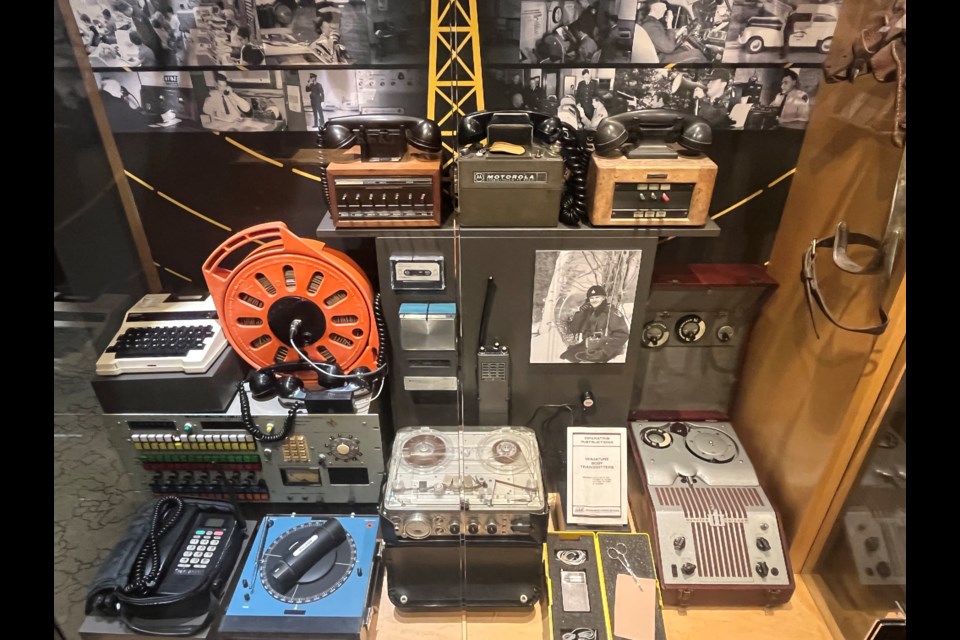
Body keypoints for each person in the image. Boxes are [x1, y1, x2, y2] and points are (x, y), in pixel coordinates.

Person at [559, 285, 630, 363]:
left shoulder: (611, 313)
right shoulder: (588, 312)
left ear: (603, 298)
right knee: (569, 356)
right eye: (592, 298)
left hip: (608, 349)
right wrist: (581, 313)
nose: (594, 300)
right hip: (590, 347)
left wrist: (605, 352)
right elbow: (574, 329)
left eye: (597, 297)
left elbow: (622, 335)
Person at [634, 1, 704, 64]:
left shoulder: (651, 22)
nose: (665, 9)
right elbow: (669, 48)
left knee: (684, 48)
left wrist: (677, 33)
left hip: (660, 54)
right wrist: (669, 23)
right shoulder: (650, 24)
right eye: (664, 7)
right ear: (655, 8)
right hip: (659, 60)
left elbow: (662, 39)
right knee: (697, 54)